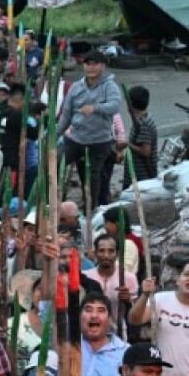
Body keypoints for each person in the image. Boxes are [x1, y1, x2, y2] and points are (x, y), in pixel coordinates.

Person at [55, 50, 121, 206]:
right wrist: (53, 136)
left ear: (102, 66)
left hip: (99, 141)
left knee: (92, 177)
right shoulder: (76, 87)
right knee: (55, 162)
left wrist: (95, 108)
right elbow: (66, 116)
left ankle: (92, 209)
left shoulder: (109, 86)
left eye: (95, 64)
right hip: (75, 138)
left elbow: (115, 105)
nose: (91, 68)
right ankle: (55, 202)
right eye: (87, 64)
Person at [82, 235, 138, 332]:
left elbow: (135, 315)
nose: (106, 255)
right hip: (89, 333)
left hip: (117, 334)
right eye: (102, 251)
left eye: (111, 251)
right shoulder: (85, 277)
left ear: (117, 254)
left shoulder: (128, 278)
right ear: (95, 253)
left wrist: (127, 300)